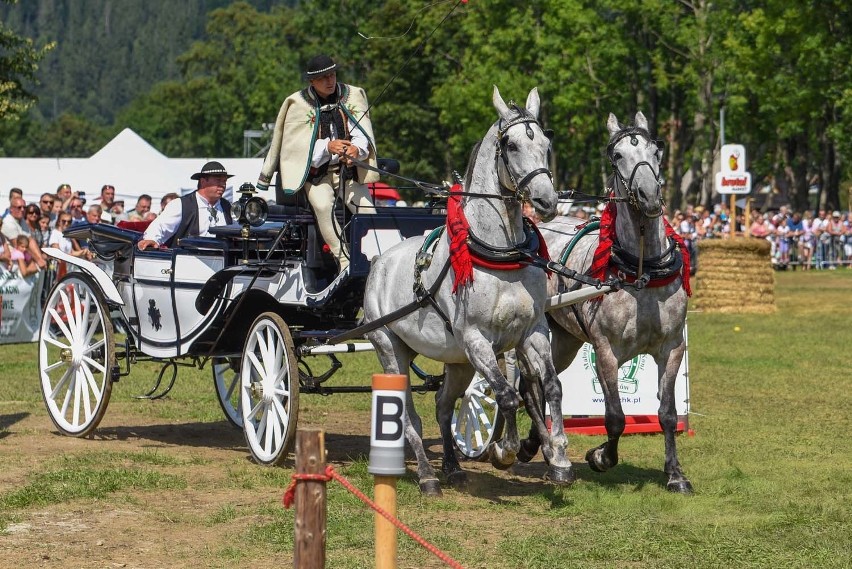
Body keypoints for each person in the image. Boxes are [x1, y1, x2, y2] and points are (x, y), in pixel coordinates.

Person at [256, 54, 378, 272]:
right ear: (312, 81)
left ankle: (375, 258)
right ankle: (344, 262)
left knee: (368, 210)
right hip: (315, 176)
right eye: (323, 78)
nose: (330, 81)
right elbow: (295, 151)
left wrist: (356, 149)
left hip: (347, 174)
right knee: (323, 206)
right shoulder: (298, 105)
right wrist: (328, 147)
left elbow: (362, 133)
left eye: (332, 75)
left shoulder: (351, 96)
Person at [138, 161, 233, 250]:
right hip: (188, 262)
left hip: (223, 263)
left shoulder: (227, 207)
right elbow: (160, 226)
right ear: (203, 181)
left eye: (224, 181)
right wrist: (151, 239)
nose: (223, 185)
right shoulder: (181, 205)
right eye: (218, 180)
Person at [1, 196, 46, 269]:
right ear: (11, 209)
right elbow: (20, 245)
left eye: (24, 207)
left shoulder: (22, 220)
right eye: (19, 207)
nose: (22, 210)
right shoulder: (8, 222)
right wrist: (38, 260)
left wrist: (40, 258)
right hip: (11, 265)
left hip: (23, 262)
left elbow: (30, 240)